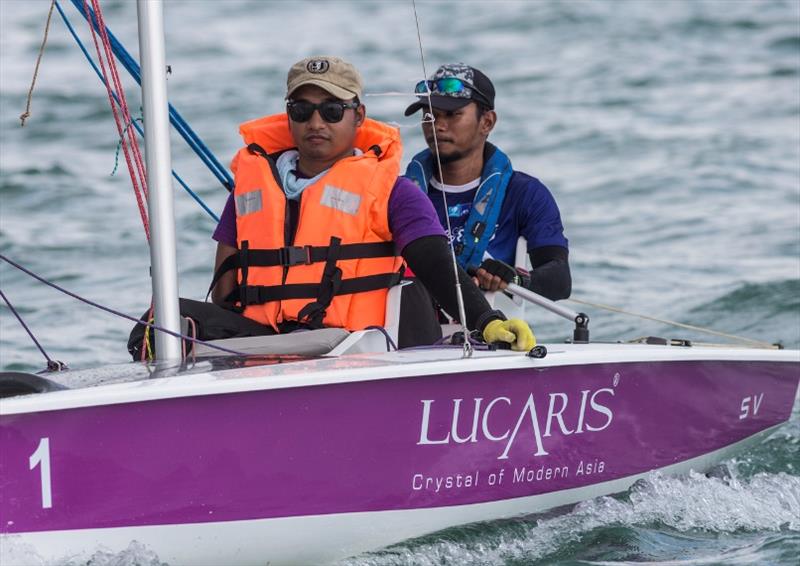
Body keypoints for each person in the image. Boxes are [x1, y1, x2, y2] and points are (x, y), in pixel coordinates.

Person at [210, 55, 534, 350]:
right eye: (302, 110)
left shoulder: (395, 192)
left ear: (359, 116)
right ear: (289, 115)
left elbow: (438, 267)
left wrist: (487, 321)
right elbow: (225, 289)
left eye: (333, 110)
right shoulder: (249, 190)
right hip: (258, 346)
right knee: (166, 322)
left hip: (352, 348)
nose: (316, 122)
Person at [404, 63, 571, 300]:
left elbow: (560, 281)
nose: (437, 126)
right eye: (430, 115)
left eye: (452, 114)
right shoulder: (398, 193)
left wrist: (513, 278)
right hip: (406, 328)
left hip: (490, 328)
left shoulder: (526, 194)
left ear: (487, 122)